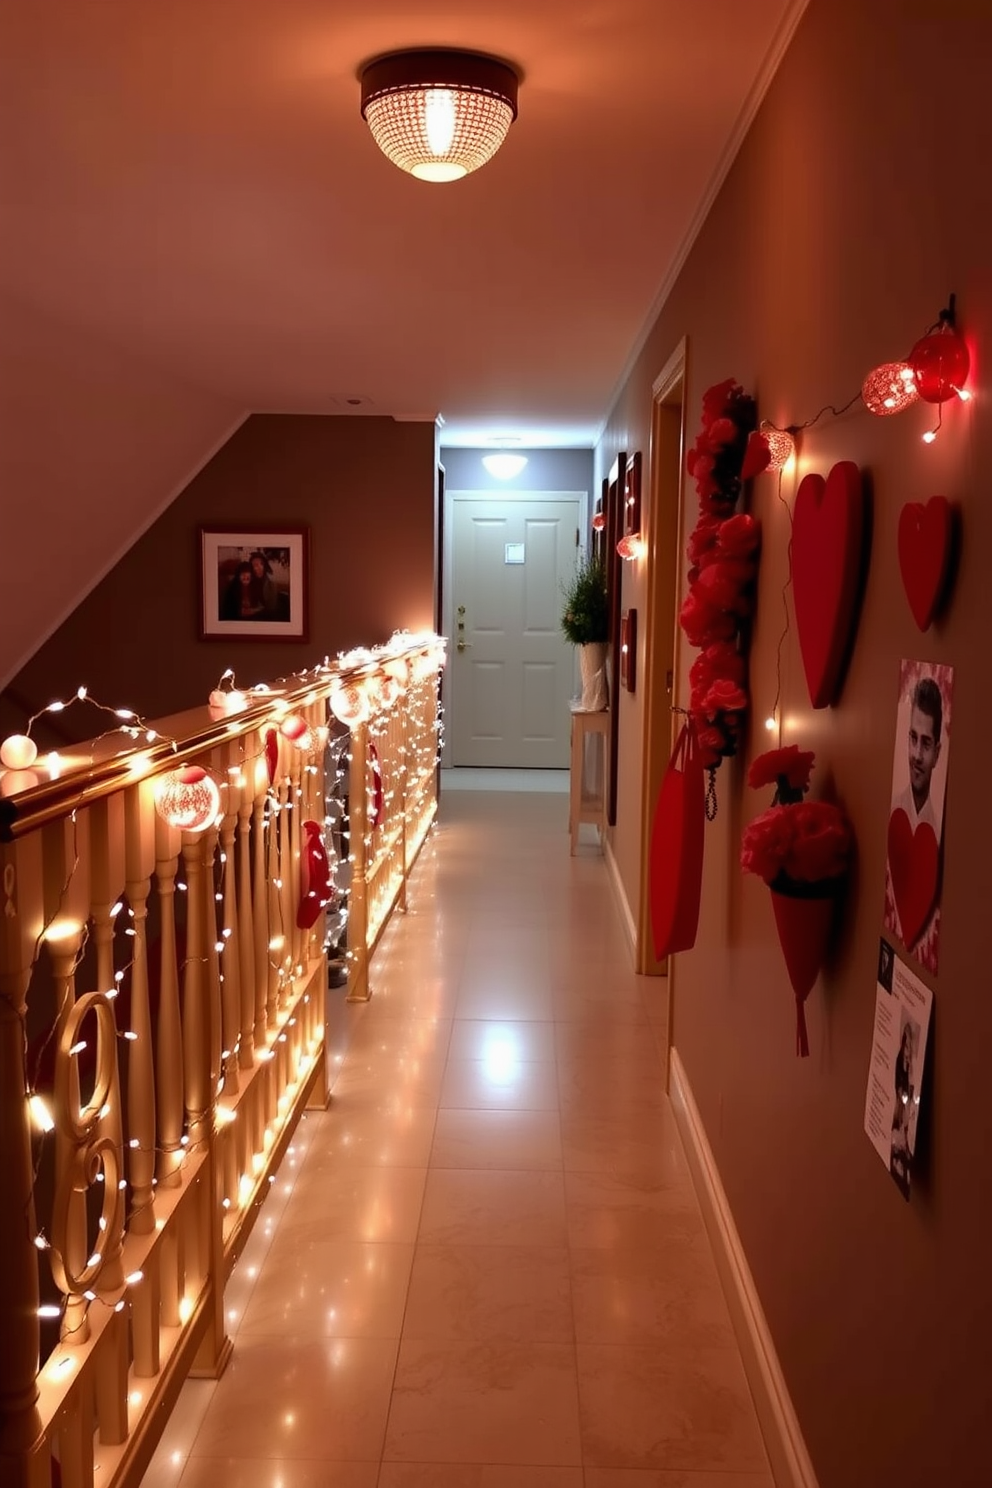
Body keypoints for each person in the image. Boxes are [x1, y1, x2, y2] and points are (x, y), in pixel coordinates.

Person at [893, 676, 942, 833]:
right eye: (914, 738)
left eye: (926, 743)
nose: (917, 755)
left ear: (937, 753)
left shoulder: (937, 829)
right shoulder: (894, 808)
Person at [246, 552, 278, 619]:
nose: (257, 568)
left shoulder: (270, 584)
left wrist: (255, 610)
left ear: (264, 566)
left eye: (260, 564)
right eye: (254, 565)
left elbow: (271, 609)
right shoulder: (250, 581)